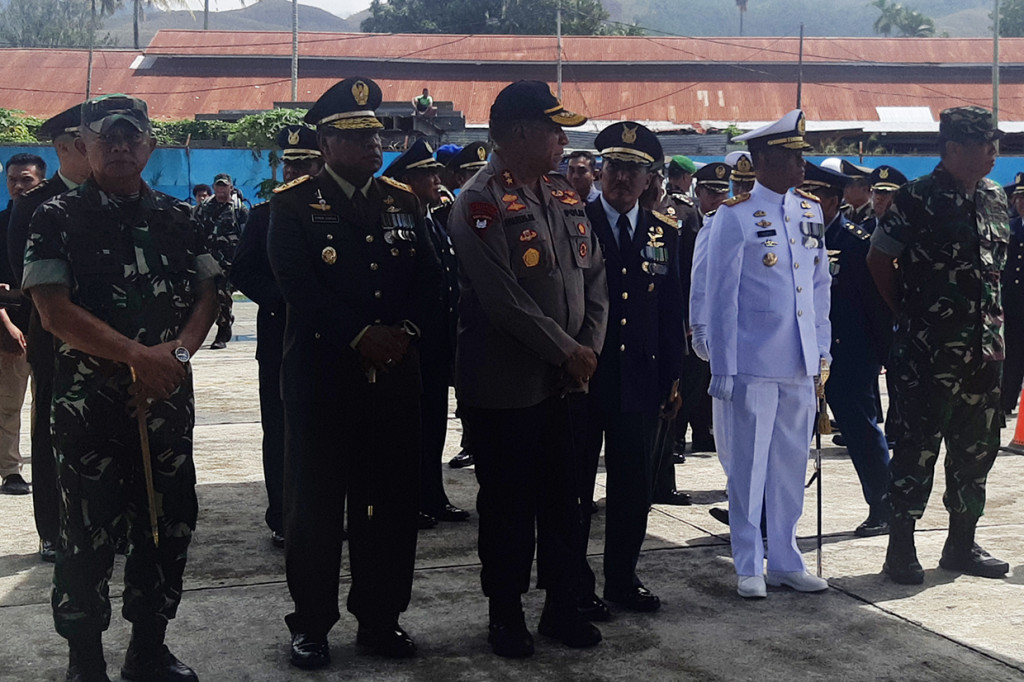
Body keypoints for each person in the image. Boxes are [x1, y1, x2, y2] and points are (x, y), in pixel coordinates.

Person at [23, 93, 219, 682]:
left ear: (149, 147)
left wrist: (176, 356)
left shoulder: (181, 217)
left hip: (164, 402)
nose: (119, 147)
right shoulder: (55, 217)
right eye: (107, 138)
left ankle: (149, 649)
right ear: (85, 146)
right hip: (89, 408)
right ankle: (85, 660)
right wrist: (138, 356)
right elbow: (53, 311)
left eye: (131, 137)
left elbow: (211, 294)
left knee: (168, 524)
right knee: (85, 535)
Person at [267, 77, 442, 670]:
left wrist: (405, 334)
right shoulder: (291, 205)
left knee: (389, 507)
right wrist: (360, 335)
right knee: (314, 511)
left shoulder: (404, 200)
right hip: (322, 383)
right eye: (356, 135)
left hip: (394, 379)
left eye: (375, 134)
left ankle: (382, 618)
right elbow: (298, 287)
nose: (372, 145)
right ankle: (312, 624)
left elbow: (431, 280)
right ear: (325, 141)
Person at [447, 80, 607, 658]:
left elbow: (594, 281)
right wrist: (568, 351)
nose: (563, 141)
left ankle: (562, 606)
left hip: (569, 384)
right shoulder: (480, 201)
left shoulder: (564, 194)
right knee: (509, 508)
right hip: (507, 387)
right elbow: (502, 298)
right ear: (518, 133)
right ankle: (506, 613)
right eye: (553, 129)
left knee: (568, 502)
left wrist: (585, 350)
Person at [866, 105, 1011, 584]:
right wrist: (909, 315)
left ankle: (961, 544)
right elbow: (879, 260)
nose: (993, 153)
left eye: (994, 143)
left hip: (984, 351)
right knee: (915, 448)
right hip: (927, 353)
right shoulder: (916, 198)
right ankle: (901, 548)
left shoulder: (994, 197)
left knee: (976, 449)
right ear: (951, 149)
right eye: (981, 144)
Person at [703, 109, 831, 599]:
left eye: (801, 158)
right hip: (753, 361)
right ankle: (748, 562)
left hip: (798, 361)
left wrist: (822, 349)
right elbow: (721, 297)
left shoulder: (809, 210)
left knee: (789, 467)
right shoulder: (734, 217)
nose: (801, 167)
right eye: (790, 158)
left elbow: (819, 287)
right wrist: (722, 367)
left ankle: (785, 558)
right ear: (761, 161)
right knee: (749, 468)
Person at [574, 121, 684, 618]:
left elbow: (670, 311)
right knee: (574, 487)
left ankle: (622, 577)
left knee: (631, 487)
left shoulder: (665, 233)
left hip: (640, 378)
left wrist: (673, 378)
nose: (622, 178)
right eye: (615, 167)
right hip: (583, 376)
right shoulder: (574, 220)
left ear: (650, 180)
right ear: (599, 171)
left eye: (634, 170)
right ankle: (574, 582)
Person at [5, 105, 92, 561]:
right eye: (82, 142)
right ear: (63, 148)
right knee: (51, 431)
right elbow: (26, 274)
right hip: (55, 336)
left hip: (110, 342)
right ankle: (53, 529)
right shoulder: (33, 203)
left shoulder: (110, 196)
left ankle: (103, 522)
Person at [232, 124, 323, 549]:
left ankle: (322, 513)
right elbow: (242, 269)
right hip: (279, 341)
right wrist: (281, 301)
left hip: (332, 340)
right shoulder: (265, 215)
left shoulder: (333, 214)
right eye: (289, 164)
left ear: (320, 165)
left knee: (326, 431)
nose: (294, 171)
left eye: (303, 163)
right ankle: (283, 516)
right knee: (282, 431)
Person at [381, 138, 470, 526]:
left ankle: (432, 495)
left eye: (436, 172)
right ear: (404, 181)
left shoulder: (432, 219)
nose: (437, 180)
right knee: (409, 430)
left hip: (436, 345)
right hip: (412, 344)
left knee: (432, 426)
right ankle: (410, 500)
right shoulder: (396, 225)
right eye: (426, 175)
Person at [803, 162, 893, 537]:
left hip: (849, 355)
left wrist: (883, 357)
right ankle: (760, 513)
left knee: (862, 432)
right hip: (802, 355)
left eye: (814, 197)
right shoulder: (795, 239)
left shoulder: (855, 243)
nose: (805, 204)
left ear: (833, 201)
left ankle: (885, 507)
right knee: (786, 440)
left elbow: (877, 306)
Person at [437, 141, 490, 470]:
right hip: (460, 310)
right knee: (464, 381)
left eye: (481, 172)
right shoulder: (448, 209)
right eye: (471, 173)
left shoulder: (497, 209)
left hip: (492, 313)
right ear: (458, 177)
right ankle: (469, 441)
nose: (476, 179)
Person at [0, 153, 45, 496]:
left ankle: (47, 466)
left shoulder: (55, 220)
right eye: (13, 180)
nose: (18, 186)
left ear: (41, 181)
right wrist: (10, 325)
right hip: (9, 326)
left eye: (26, 180)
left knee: (46, 405)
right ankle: (11, 470)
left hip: (51, 327)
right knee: (8, 404)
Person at [195, 173, 248, 349]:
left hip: (229, 262)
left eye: (224, 186)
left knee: (222, 295)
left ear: (230, 187)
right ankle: (222, 321)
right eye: (218, 185)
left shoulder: (238, 209)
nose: (221, 189)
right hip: (208, 260)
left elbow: (248, 236)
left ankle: (222, 332)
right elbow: (195, 229)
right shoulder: (204, 207)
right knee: (208, 296)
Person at [1001, 173, 1024, 415]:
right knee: (1012, 357)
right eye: (1018, 197)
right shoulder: (1010, 227)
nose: (1021, 202)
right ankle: (1006, 402)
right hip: (1013, 302)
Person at [840, 160, 873, 224]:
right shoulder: (844, 212)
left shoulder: (873, 216)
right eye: (844, 186)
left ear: (864, 189)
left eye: (850, 186)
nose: (845, 190)